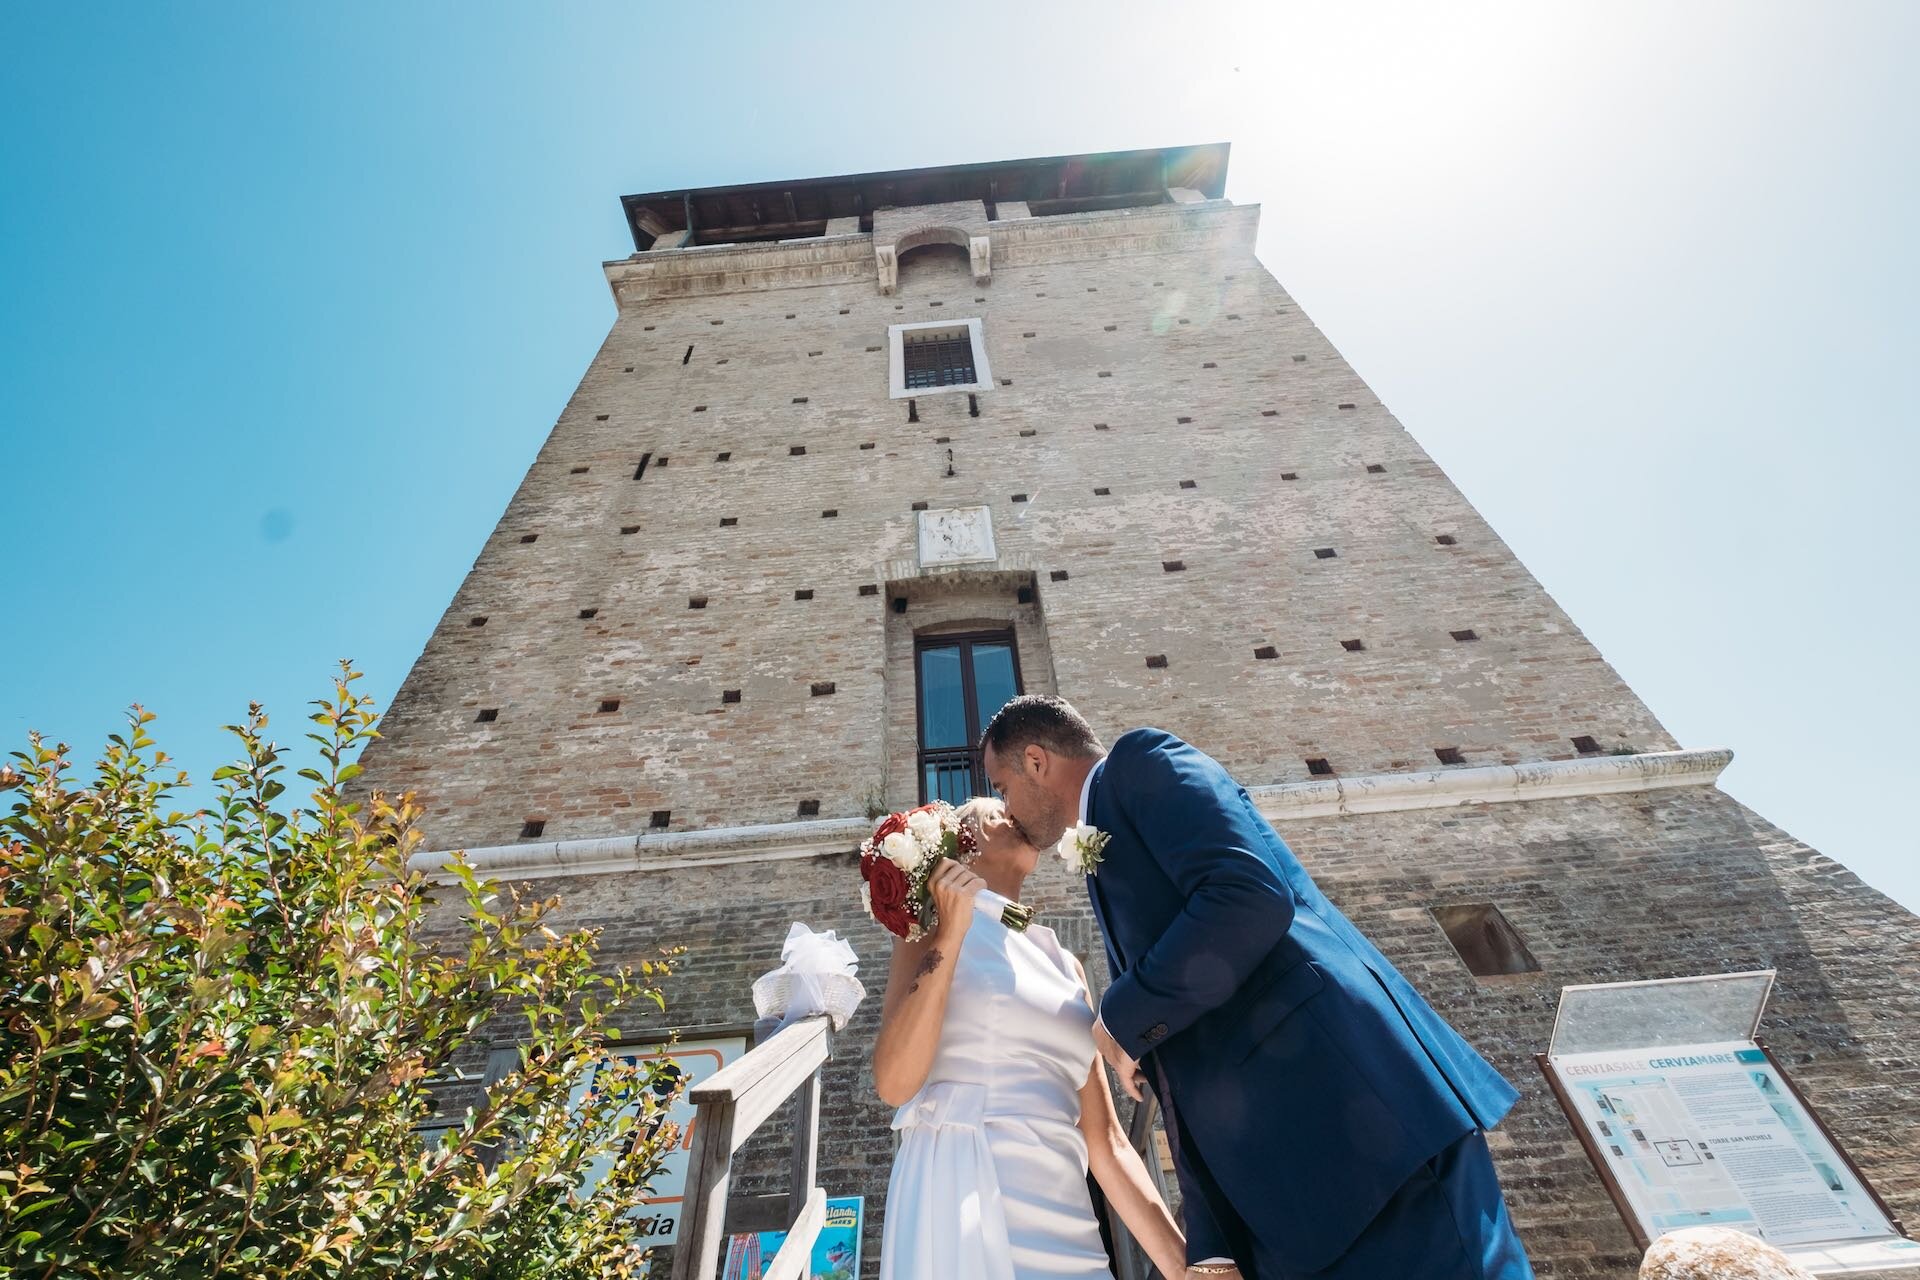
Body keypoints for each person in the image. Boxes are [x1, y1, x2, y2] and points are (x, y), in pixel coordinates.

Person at [981, 695, 1535, 1280]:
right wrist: (1215, 1240)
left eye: (1001, 785)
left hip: (1362, 1127)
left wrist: (1119, 1017)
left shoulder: (1141, 762)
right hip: (1299, 1188)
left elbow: (1247, 897)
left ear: (1038, 762)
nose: (1005, 806)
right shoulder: (1101, 841)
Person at [871, 798, 1189, 1280]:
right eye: (993, 810)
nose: (1011, 811)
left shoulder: (1066, 964)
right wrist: (951, 933)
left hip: (1066, 1204)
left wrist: (1186, 1268)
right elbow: (894, 1084)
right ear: (962, 847)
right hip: (965, 1187)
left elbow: (1105, 1141)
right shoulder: (925, 934)